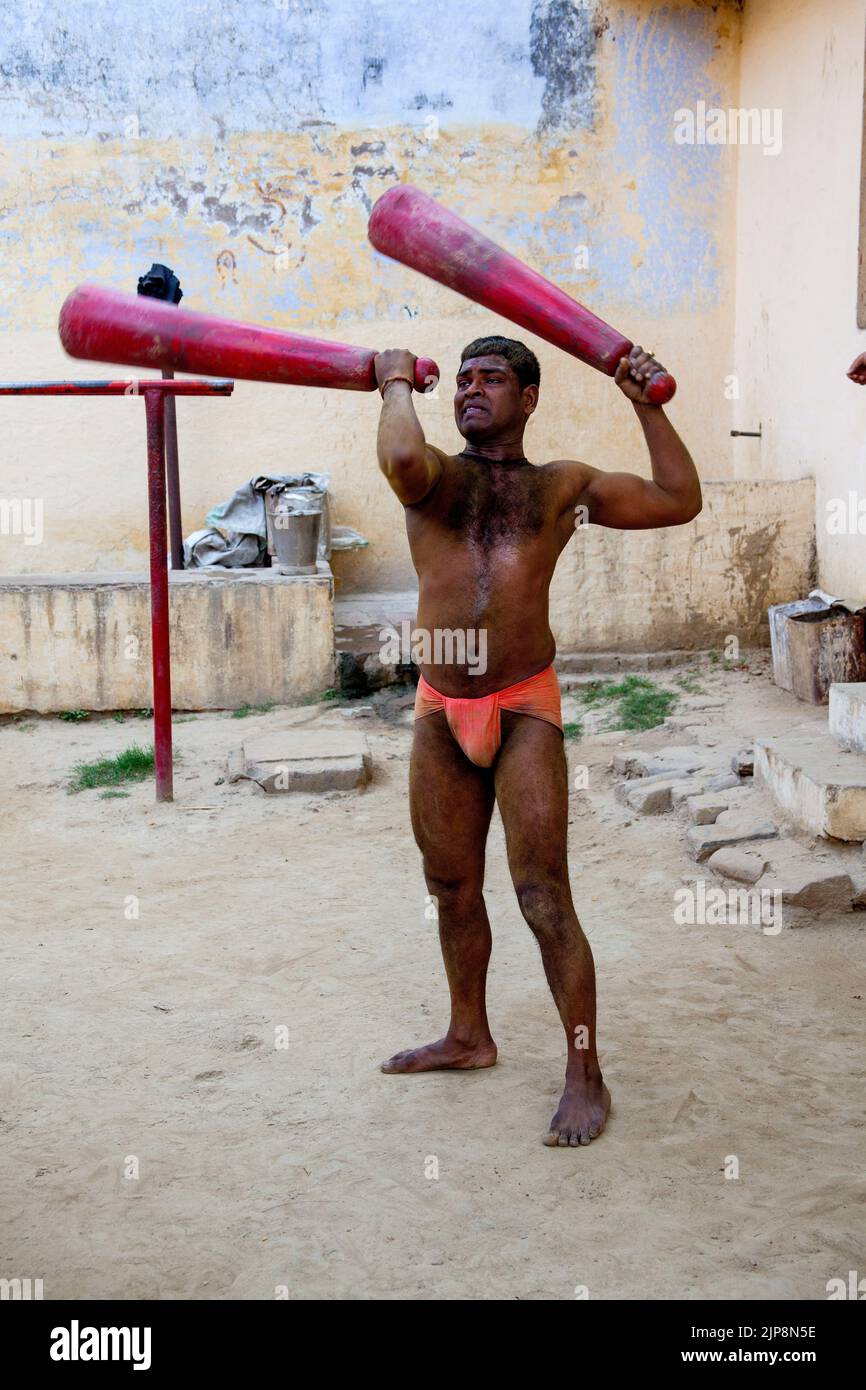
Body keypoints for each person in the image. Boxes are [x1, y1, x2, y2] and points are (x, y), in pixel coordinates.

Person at [374, 335, 701, 1146]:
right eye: (460, 381)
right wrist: (391, 383)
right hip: (440, 709)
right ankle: (468, 1035)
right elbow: (402, 458)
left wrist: (642, 402)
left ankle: (585, 1071)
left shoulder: (563, 489)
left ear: (529, 397)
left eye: (491, 380)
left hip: (522, 706)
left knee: (542, 894)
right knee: (450, 886)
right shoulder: (435, 482)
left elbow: (677, 498)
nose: (470, 392)